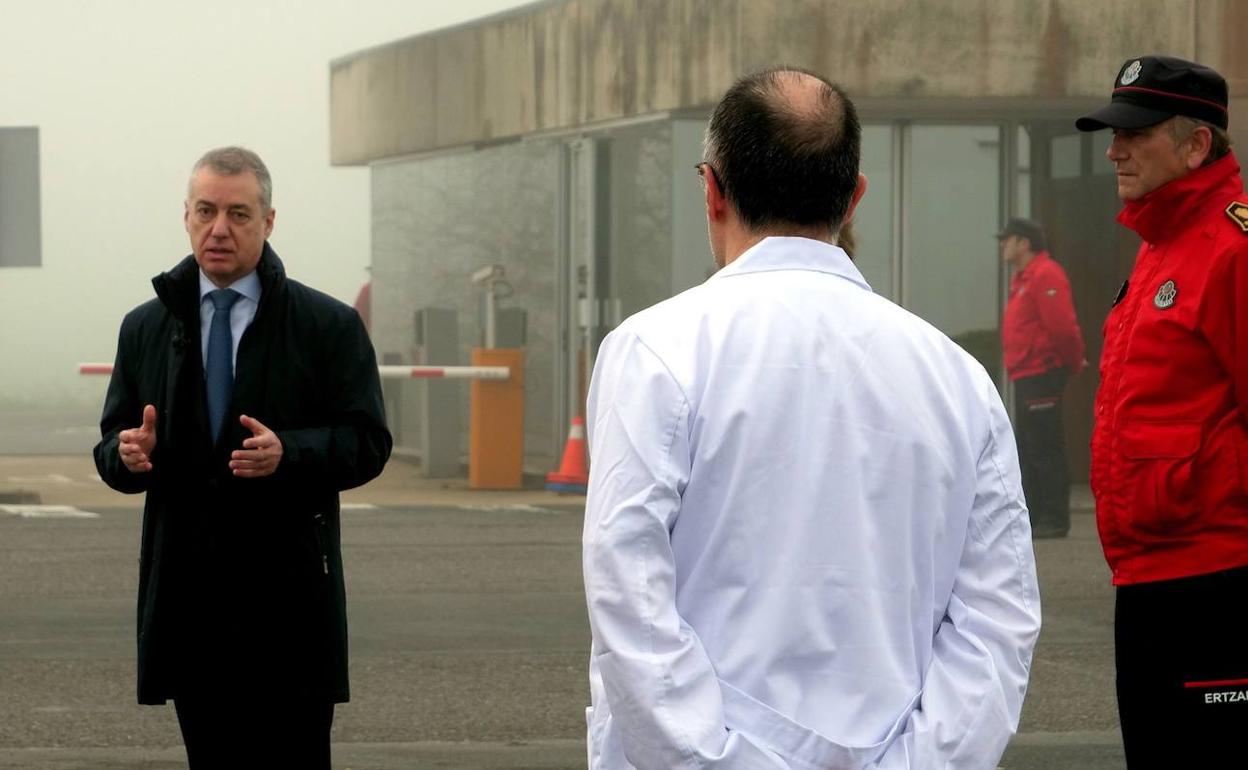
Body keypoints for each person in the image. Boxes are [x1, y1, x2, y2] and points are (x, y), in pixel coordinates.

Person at [582, 68, 1041, 769]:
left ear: (711, 190)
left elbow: (628, 599)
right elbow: (997, 622)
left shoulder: (655, 352)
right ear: (854, 199)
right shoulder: (958, 380)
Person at [93, 147, 391, 768]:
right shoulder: (146, 327)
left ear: (269, 221)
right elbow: (110, 447)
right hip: (190, 607)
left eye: (237, 213)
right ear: (186, 216)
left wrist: (292, 452)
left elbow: (368, 441)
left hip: (289, 607)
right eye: (205, 211)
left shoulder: (326, 326)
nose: (219, 229)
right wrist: (127, 455)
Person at [1076, 55, 1248, 767]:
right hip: (1146, 580)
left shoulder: (1232, 249)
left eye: (1135, 133)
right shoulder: (1161, 245)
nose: (1114, 149)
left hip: (1218, 586)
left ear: (1195, 144)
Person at [998, 217, 1085, 538]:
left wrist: (1071, 363)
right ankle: (1036, 517)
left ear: (1024, 242)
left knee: (1044, 447)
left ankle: (1054, 518)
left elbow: (1062, 327)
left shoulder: (1046, 274)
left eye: (1007, 240)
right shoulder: (1024, 278)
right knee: (1030, 446)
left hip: (1041, 373)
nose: (1003, 246)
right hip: (1026, 374)